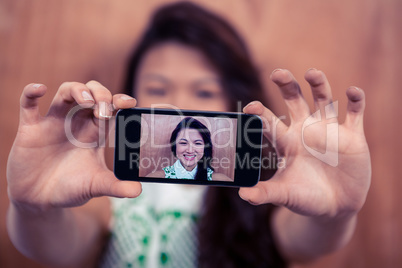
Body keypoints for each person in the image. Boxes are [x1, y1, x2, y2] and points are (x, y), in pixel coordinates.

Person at [6, 2, 371, 268]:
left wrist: (333, 215)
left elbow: (302, 242)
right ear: (130, 96)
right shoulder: (108, 189)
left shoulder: (264, 193)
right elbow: (60, 248)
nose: (181, 107)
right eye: (158, 89)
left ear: (235, 100)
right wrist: (34, 208)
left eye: (204, 93)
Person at [146, 117, 232, 182]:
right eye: (183, 143)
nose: (190, 150)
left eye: (197, 143)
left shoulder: (221, 180)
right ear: (174, 146)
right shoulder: (155, 178)